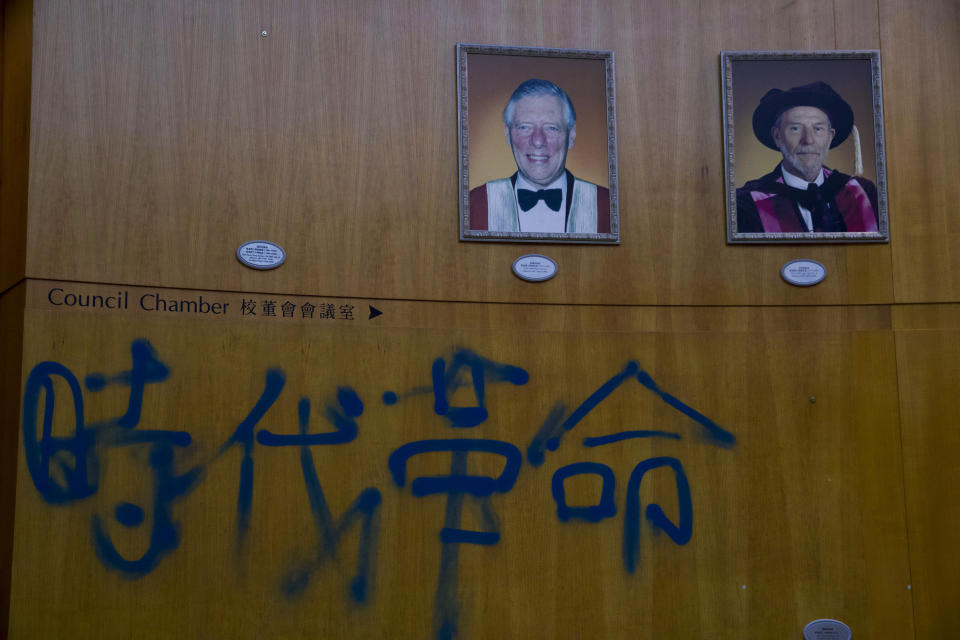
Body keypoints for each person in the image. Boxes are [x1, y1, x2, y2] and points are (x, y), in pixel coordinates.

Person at [470, 78, 610, 234]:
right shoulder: (475, 204)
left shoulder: (607, 205)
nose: (537, 141)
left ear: (571, 135)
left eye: (551, 128)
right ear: (508, 135)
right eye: (525, 127)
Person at [736, 81, 879, 234]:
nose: (808, 140)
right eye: (795, 129)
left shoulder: (863, 193)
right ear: (777, 136)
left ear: (830, 136)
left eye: (818, 129)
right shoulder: (747, 203)